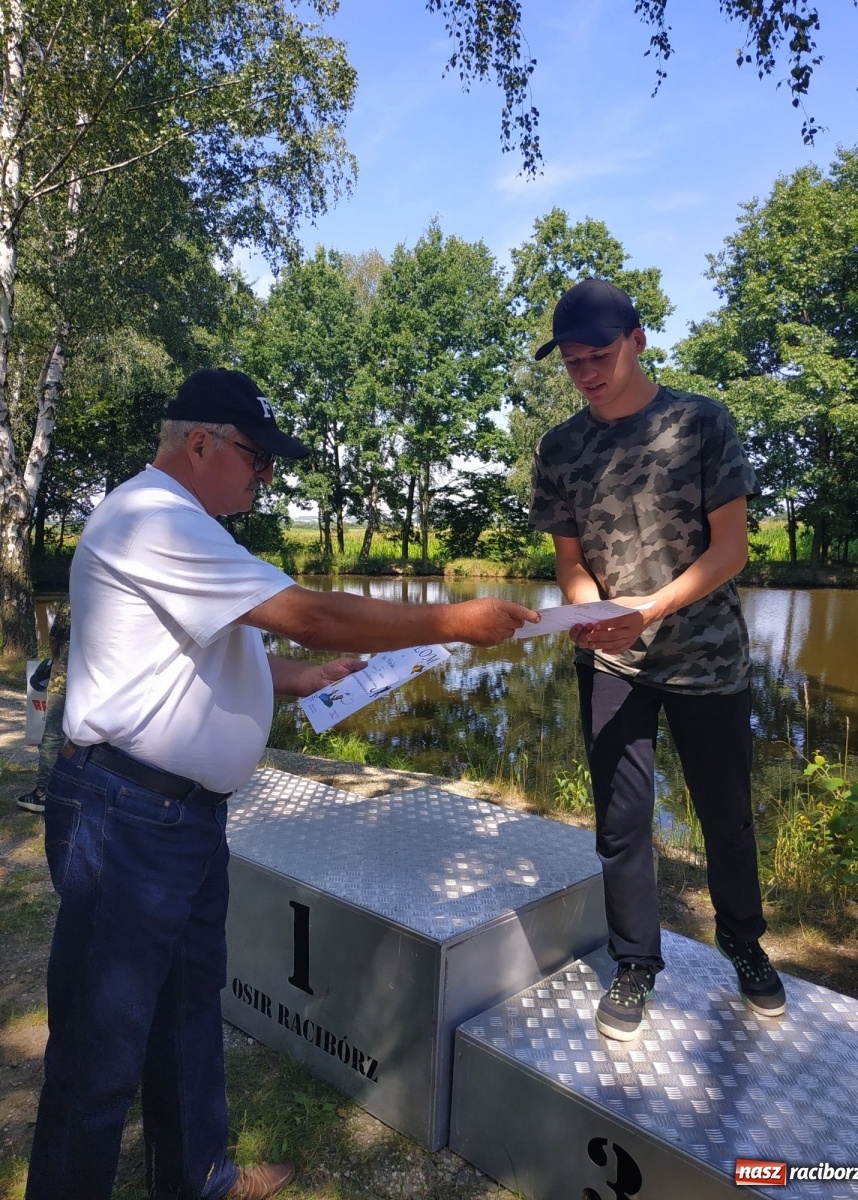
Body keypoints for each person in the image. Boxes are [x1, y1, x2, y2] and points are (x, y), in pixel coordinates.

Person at [26, 367, 538, 1200]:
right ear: (201, 443)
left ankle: (199, 1180)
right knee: (99, 1049)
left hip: (180, 820)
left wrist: (305, 678)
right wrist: (455, 621)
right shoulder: (153, 518)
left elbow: (204, 649)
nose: (268, 478)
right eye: (258, 459)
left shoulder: (189, 527)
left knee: (190, 1012)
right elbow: (311, 611)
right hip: (125, 820)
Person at [528, 279, 784, 1043]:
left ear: (638, 340)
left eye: (598, 356)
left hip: (707, 660)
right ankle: (636, 961)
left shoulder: (701, 422)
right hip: (612, 664)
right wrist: (585, 607)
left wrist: (647, 610)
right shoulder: (559, 447)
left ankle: (742, 939)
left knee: (726, 819)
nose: (586, 373)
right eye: (572, 363)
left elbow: (731, 549)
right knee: (622, 822)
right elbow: (569, 561)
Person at [17, 597, 71, 815]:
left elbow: (55, 637)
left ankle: (43, 793)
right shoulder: (106, 594)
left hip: (65, 678)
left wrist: (55, 659)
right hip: (96, 678)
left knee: (52, 736)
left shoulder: (72, 599)